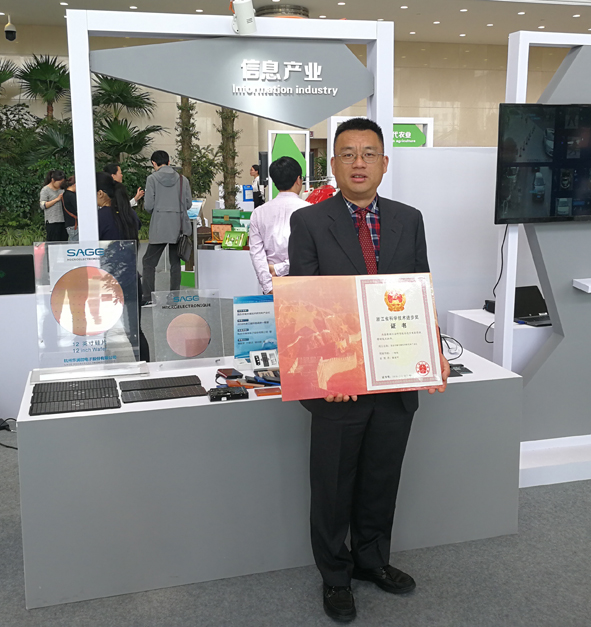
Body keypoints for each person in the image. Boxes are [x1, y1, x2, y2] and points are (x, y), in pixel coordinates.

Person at [288, 117, 450, 623]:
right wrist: (322, 374)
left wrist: (433, 351)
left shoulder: (409, 218)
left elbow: (420, 291)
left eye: (369, 153)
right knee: (334, 484)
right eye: (348, 154)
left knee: (382, 475)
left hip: (396, 375)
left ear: (384, 162)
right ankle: (336, 575)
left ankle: (372, 560)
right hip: (339, 383)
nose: (359, 163)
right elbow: (306, 307)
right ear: (333, 165)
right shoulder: (309, 222)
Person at [95, 172, 150, 362]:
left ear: (101, 193)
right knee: (135, 331)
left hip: (106, 282)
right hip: (131, 280)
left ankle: (103, 369)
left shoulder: (98, 218)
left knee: (102, 331)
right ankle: (146, 369)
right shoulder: (129, 214)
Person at [247, 157, 309, 295]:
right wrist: (281, 268)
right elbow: (310, 255)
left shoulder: (259, 213)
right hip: (304, 283)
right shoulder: (311, 210)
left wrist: (268, 286)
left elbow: (256, 253)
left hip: (272, 282)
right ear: (298, 180)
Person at [141, 150, 192, 304]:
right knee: (175, 263)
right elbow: (188, 204)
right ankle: (174, 297)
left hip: (159, 226)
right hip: (178, 227)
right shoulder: (183, 180)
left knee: (148, 262)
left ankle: (148, 297)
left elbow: (148, 206)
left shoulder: (151, 179)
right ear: (169, 162)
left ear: (153, 163)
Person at [40, 170, 67, 242]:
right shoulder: (45, 190)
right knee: (53, 243)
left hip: (63, 220)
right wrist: (57, 199)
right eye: (59, 182)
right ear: (53, 180)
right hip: (52, 221)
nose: (60, 184)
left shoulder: (62, 189)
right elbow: (43, 205)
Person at [61, 176, 78, 242]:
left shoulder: (65, 194)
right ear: (75, 184)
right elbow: (77, 209)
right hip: (74, 224)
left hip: (70, 224)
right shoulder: (71, 195)